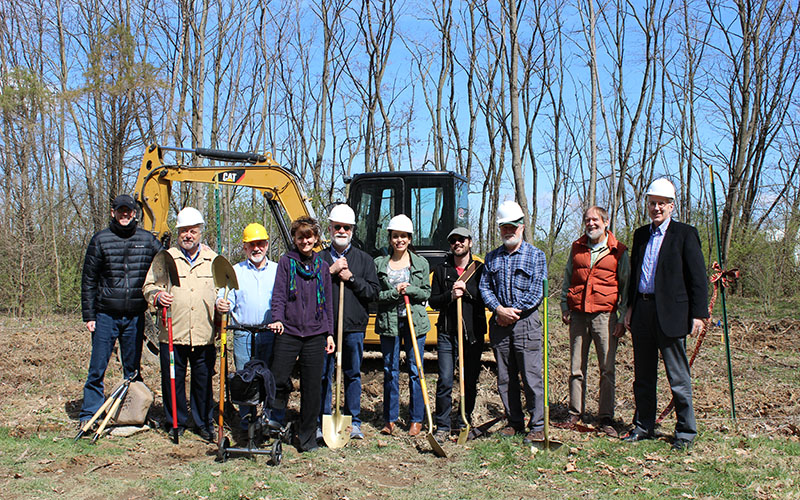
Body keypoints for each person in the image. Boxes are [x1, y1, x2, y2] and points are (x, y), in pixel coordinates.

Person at [622, 178, 708, 451]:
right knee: (643, 375)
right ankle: (644, 425)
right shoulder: (640, 235)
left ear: (671, 206)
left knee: (677, 375)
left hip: (672, 313)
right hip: (643, 311)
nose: (656, 208)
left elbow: (698, 278)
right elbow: (635, 275)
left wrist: (698, 314)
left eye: (661, 203)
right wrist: (630, 308)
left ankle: (685, 431)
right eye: (652, 203)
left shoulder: (685, 234)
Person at [79, 194, 162, 426]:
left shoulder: (147, 240)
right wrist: (89, 315)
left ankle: (133, 414)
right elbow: (89, 280)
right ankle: (89, 414)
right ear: (113, 212)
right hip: (105, 314)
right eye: (120, 211)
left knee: (132, 368)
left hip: (135, 316)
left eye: (129, 211)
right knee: (97, 367)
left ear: (135, 213)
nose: (124, 215)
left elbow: (167, 260)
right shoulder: (101, 240)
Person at [143, 207, 220, 442]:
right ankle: (175, 421)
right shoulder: (166, 258)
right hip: (172, 333)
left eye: (193, 231)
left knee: (203, 381)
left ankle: (203, 423)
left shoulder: (212, 259)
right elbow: (149, 286)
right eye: (184, 231)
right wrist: (156, 296)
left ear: (200, 233)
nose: (188, 235)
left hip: (204, 333)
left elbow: (223, 290)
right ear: (178, 232)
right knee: (172, 380)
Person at [479, 200, 547, 444]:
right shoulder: (492, 257)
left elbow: (537, 291)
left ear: (522, 226)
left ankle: (537, 425)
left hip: (525, 324)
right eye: (504, 227)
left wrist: (512, 312)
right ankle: (514, 422)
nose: (508, 231)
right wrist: (498, 309)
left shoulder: (536, 256)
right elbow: (484, 287)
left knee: (531, 377)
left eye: (512, 226)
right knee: (505, 377)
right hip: (499, 324)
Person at [560, 206, 629, 437]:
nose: (591, 224)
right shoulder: (577, 248)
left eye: (595, 220)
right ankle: (575, 413)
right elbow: (568, 278)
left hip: (605, 316)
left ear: (606, 222)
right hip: (578, 314)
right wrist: (564, 306)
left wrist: (621, 317)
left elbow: (625, 286)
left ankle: (605, 417)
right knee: (576, 367)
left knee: (607, 368)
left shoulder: (618, 250)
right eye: (587, 220)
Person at [268, 216, 335, 452]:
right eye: (300, 237)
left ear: (315, 238)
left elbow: (327, 302)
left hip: (316, 334)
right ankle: (274, 424)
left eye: (309, 236)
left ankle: (306, 439)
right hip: (290, 331)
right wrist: (277, 318)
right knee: (277, 379)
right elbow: (278, 295)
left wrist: (329, 333)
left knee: (312, 387)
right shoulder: (286, 262)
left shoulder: (323, 267)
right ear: (295, 239)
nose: (305, 241)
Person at [319, 204, 380, 441]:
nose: (341, 231)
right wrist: (331, 271)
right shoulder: (320, 259)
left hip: (353, 327)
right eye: (337, 227)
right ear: (330, 228)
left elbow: (373, 293)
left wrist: (351, 278)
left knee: (352, 374)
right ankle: (323, 418)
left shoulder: (364, 260)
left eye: (346, 227)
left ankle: (354, 421)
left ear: (353, 230)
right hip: (325, 328)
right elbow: (310, 288)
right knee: (325, 374)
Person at [215, 223, 280, 429]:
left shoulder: (278, 271)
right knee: (245, 378)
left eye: (260, 243)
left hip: (269, 333)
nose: (256, 248)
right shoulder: (235, 272)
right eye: (251, 245)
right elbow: (225, 297)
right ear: (244, 247)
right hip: (243, 334)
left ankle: (268, 419)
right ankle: (247, 422)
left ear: (267, 245)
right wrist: (221, 304)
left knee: (269, 378)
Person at [374, 214, 431, 437]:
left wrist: (411, 290)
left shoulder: (420, 263)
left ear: (410, 238)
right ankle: (390, 419)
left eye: (404, 236)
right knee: (390, 370)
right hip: (389, 322)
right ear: (390, 238)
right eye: (395, 236)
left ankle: (416, 419)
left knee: (416, 371)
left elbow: (426, 292)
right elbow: (375, 294)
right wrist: (393, 293)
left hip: (414, 321)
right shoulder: (379, 264)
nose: (400, 240)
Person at [429, 227, 486, 442]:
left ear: (470, 242)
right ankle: (442, 426)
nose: (457, 243)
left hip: (472, 334)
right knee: (444, 380)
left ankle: (464, 420)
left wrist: (468, 292)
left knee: (468, 380)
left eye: (461, 240)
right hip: (447, 332)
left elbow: (487, 296)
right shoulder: (442, 269)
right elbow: (433, 300)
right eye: (453, 240)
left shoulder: (480, 269)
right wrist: (451, 295)